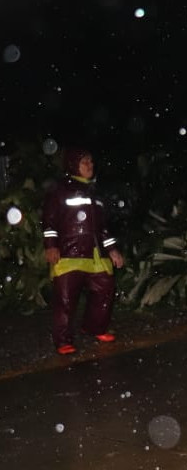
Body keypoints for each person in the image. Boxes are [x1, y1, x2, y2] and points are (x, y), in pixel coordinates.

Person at [42, 147, 124, 355]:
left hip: (96, 254)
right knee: (66, 299)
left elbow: (103, 227)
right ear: (73, 165)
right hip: (68, 254)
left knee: (105, 288)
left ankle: (94, 327)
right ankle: (63, 340)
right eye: (84, 162)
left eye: (91, 162)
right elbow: (49, 221)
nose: (90, 165)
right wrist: (51, 246)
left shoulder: (95, 192)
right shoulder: (59, 190)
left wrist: (112, 250)